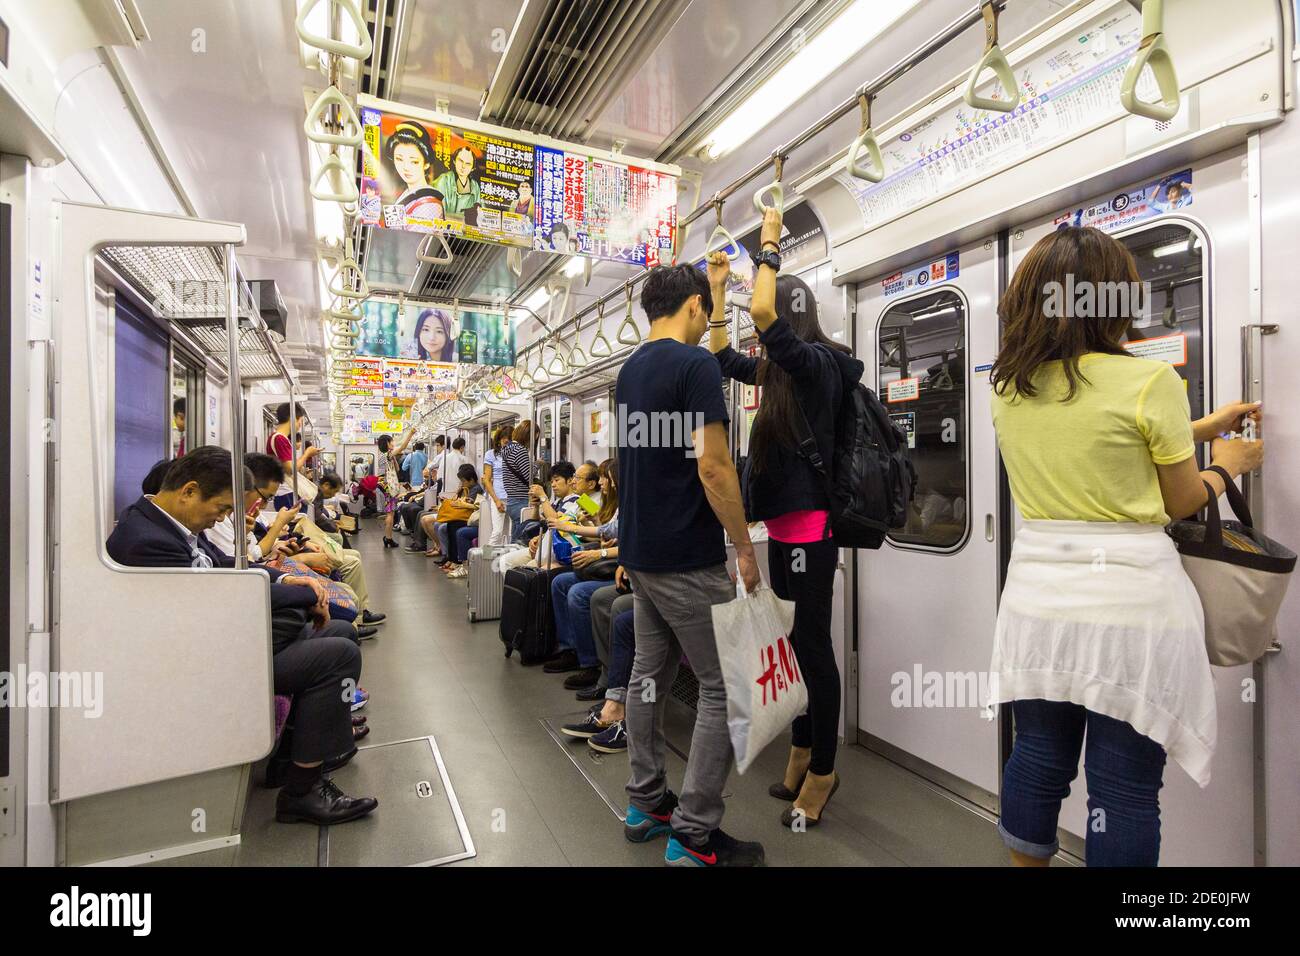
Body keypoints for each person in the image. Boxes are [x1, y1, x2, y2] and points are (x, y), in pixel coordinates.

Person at [987, 226, 1264, 867]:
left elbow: (1090, 435)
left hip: (1039, 605)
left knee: (1036, 759)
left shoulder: (1008, 388)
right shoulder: (1150, 381)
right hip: (1129, 614)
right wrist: (1227, 463)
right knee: (1123, 790)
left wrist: (1198, 426)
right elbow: (1177, 498)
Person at [106, 447, 378, 826]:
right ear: (188, 491)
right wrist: (304, 594)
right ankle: (302, 791)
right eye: (220, 508)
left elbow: (227, 570)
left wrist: (287, 578)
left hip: (220, 635)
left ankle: (292, 757)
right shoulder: (150, 541)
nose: (222, 518)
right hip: (200, 656)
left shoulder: (171, 525)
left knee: (339, 631)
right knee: (337, 655)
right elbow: (218, 594)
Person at [707, 206, 861, 828]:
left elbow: (765, 318)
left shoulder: (820, 366)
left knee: (814, 649)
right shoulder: (778, 373)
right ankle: (801, 745)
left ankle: (823, 767)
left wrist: (768, 244)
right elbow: (722, 355)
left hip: (814, 533)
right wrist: (718, 289)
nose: (758, 326)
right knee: (795, 647)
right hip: (785, 530)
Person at [616, 262, 763, 867]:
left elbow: (631, 464)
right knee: (724, 690)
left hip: (643, 554)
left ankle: (646, 802)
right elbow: (713, 466)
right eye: (710, 312)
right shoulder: (696, 366)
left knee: (647, 675)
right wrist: (745, 547)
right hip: (686, 559)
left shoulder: (629, 372)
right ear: (697, 308)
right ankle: (695, 831)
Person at [385, 121, 445, 220]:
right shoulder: (407, 192)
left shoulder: (429, 205)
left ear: (426, 164)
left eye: (414, 162)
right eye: (399, 159)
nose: (405, 167)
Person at [267, 402, 317, 509]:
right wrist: (307, 454)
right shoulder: (280, 439)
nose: (300, 425)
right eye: (300, 421)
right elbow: (290, 470)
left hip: (286, 492)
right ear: (292, 418)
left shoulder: (278, 438)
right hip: (286, 492)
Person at [376, 430, 416, 548]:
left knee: (390, 512)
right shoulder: (388, 454)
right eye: (391, 441)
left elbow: (397, 469)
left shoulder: (384, 456)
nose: (393, 443)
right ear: (387, 443)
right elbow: (403, 446)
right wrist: (410, 434)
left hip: (383, 484)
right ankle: (388, 538)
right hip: (388, 486)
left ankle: (388, 537)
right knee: (390, 513)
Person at [499, 420, 535, 542]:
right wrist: (538, 464)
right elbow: (528, 476)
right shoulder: (520, 450)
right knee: (520, 541)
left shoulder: (507, 449)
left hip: (512, 500)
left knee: (515, 538)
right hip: (521, 501)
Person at [480, 425, 512, 546]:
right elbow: (487, 480)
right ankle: (485, 560)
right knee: (497, 532)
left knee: (510, 534)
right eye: (503, 437)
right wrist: (496, 500)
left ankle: (504, 562)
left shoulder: (514, 454)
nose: (506, 440)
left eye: (508, 438)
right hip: (498, 497)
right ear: (498, 439)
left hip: (513, 497)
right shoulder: (491, 454)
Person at [432, 145, 481, 218]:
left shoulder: (475, 186)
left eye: (468, 164)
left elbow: (479, 213)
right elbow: (437, 211)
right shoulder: (443, 180)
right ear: (454, 161)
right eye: (461, 161)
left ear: (472, 168)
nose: (463, 166)